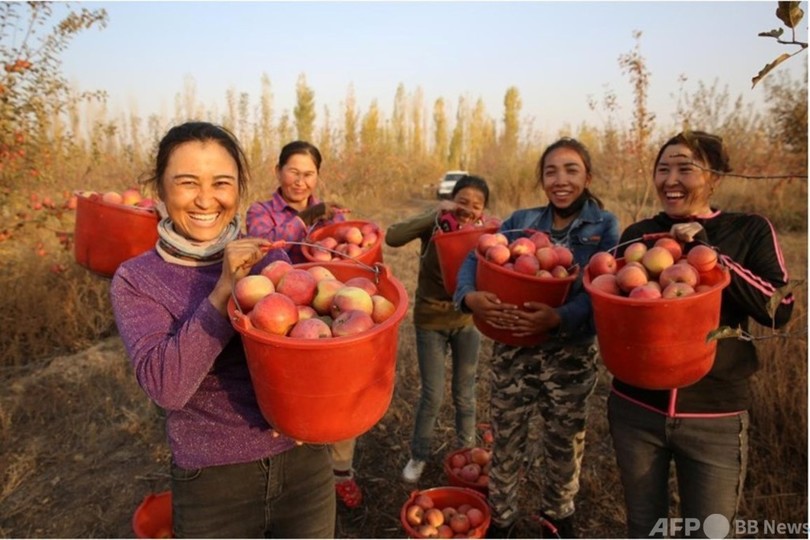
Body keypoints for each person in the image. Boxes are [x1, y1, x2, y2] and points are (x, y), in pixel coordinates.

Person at [110, 122, 335, 538]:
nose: (205, 199)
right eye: (187, 183)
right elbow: (166, 388)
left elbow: (309, 355)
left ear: (239, 189)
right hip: (213, 484)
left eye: (221, 183)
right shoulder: (137, 280)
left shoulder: (269, 261)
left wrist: (313, 416)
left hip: (304, 468)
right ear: (160, 189)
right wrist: (222, 292)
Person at [608, 131, 794, 538]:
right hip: (635, 409)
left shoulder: (748, 229)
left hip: (715, 415)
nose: (671, 180)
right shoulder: (640, 234)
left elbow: (780, 310)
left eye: (685, 169)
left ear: (715, 177)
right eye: (663, 169)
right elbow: (615, 308)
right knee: (645, 527)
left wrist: (709, 254)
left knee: (711, 531)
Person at [454, 138, 620, 538]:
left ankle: (557, 518)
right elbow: (475, 258)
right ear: (542, 179)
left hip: (569, 356)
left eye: (571, 170)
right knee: (506, 438)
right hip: (514, 348)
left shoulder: (604, 226)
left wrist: (558, 317)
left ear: (587, 177)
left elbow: (605, 287)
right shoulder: (522, 220)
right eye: (551, 171)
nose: (560, 180)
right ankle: (502, 520)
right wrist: (469, 297)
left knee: (564, 443)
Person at [245, 140, 362, 510]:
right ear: (278, 171)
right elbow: (266, 249)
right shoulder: (261, 211)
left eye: (308, 174)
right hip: (282, 317)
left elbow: (347, 256)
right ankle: (297, 481)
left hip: (327, 311)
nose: (300, 180)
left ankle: (341, 472)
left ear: (318, 176)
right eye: (293, 171)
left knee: (339, 393)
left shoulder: (332, 215)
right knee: (294, 400)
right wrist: (310, 218)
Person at [385, 175, 495, 484]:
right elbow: (392, 237)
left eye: (476, 205)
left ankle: (468, 455)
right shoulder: (436, 224)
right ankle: (419, 455)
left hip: (466, 321)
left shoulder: (485, 235)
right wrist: (434, 213)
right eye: (462, 202)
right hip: (431, 320)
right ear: (450, 200)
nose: (468, 210)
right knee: (432, 395)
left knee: (465, 394)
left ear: (483, 209)